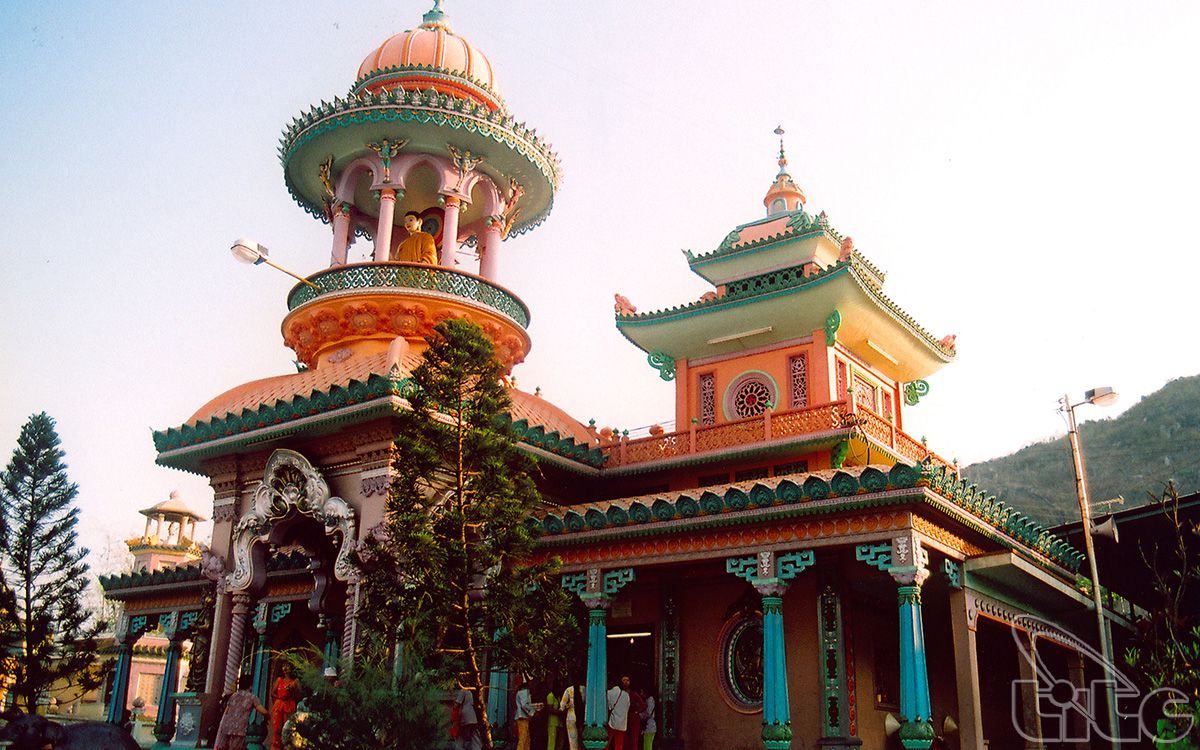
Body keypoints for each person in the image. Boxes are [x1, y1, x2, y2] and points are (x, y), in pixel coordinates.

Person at [215, 675, 268, 750]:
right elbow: (263, 711)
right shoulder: (251, 697)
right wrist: (269, 716)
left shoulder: (233, 696)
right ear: (250, 686)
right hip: (239, 729)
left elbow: (226, 711)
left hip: (227, 727)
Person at [268, 663, 301, 750]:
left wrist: (292, 691)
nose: (285, 668)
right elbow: (272, 693)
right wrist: (280, 697)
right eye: (283, 666)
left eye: (288, 666)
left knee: (288, 729)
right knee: (277, 729)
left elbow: (300, 695)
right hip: (279, 705)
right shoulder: (279, 680)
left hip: (289, 705)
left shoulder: (295, 682)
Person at [604, 676, 630, 750]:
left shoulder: (609, 693)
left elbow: (609, 706)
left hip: (613, 723)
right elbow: (627, 708)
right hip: (623, 724)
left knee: (607, 744)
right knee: (619, 746)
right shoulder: (626, 695)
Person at [559, 682, 584, 750]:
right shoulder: (584, 689)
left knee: (572, 741)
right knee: (583, 741)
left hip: (571, 717)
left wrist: (568, 705)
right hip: (582, 718)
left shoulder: (568, 690)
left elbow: (562, 707)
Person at [514, 680, 535, 750]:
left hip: (524, 717)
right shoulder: (524, 692)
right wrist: (531, 713)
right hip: (522, 717)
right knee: (523, 739)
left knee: (526, 739)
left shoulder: (523, 691)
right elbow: (524, 705)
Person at [623, 684, 644, 750]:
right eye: (623, 680)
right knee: (625, 739)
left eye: (627, 680)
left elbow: (643, 705)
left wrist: (637, 711)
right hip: (624, 718)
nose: (625, 682)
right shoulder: (621, 694)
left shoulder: (634, 694)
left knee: (634, 738)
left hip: (633, 718)